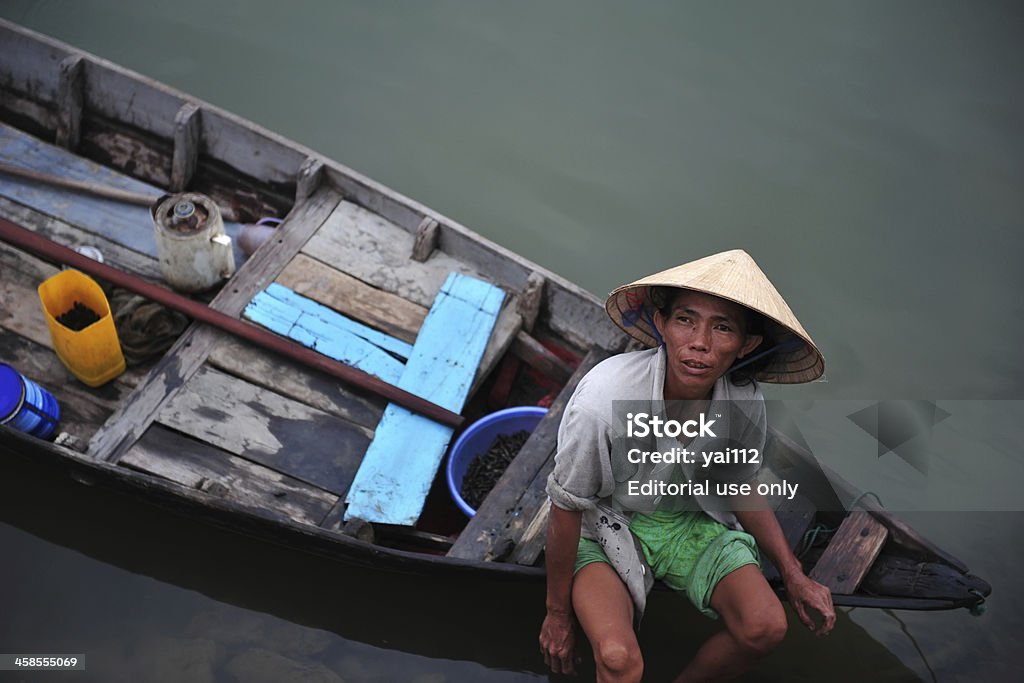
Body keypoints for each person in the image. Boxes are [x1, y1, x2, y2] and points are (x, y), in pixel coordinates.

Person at [539, 250, 835, 682]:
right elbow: (566, 507)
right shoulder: (603, 401)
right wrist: (557, 615)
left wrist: (794, 575)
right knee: (620, 659)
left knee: (766, 627)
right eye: (685, 321)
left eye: (722, 328)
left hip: (687, 522)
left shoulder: (744, 402)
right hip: (603, 523)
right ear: (661, 325)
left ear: (746, 345)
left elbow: (739, 481)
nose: (700, 342)